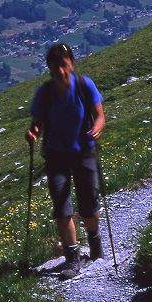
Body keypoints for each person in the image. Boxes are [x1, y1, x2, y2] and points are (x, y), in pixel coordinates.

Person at [25, 41, 105, 280]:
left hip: (84, 152)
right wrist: (33, 133)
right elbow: (37, 123)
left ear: (71, 63)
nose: (60, 70)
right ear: (49, 68)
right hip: (56, 155)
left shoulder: (84, 85)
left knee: (89, 202)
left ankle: (95, 243)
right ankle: (72, 258)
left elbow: (99, 115)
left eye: (63, 64)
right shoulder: (45, 93)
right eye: (55, 66)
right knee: (62, 206)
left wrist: (98, 128)